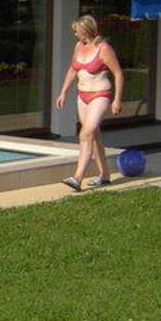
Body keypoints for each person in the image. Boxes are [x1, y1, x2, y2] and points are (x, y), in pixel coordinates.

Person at [55, 15, 123, 191]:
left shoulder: (103, 48)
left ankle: (77, 178)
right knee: (93, 136)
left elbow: (118, 73)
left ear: (86, 31)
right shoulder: (79, 46)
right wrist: (63, 92)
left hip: (100, 95)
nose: (75, 34)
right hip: (82, 96)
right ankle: (105, 175)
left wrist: (117, 99)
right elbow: (73, 70)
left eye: (77, 31)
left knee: (85, 133)